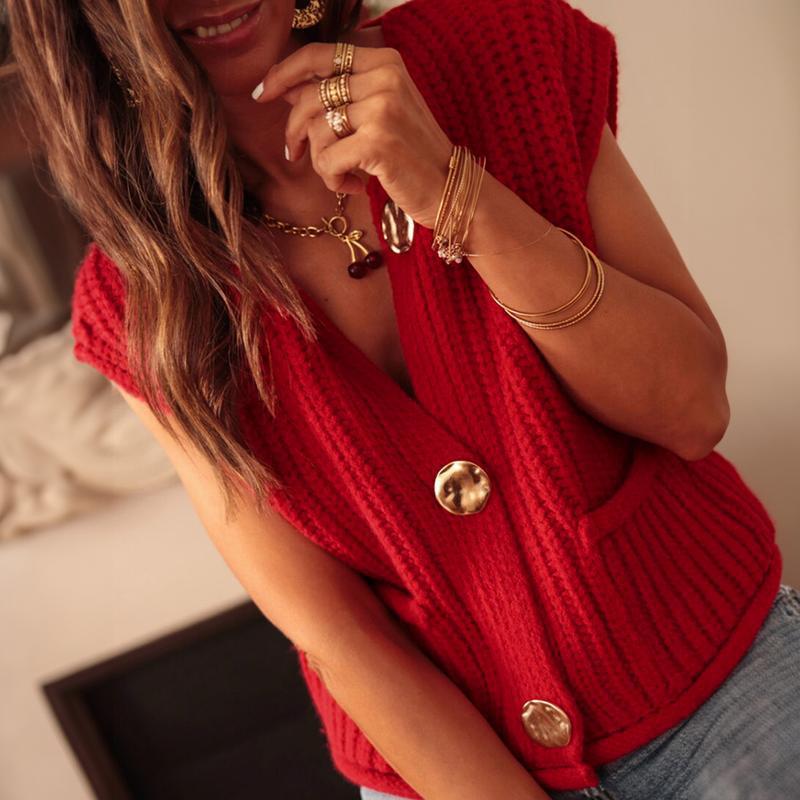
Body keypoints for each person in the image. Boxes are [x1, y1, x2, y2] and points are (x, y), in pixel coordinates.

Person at [6, 0, 798, 797]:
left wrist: (454, 188)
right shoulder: (138, 301)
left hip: (730, 706)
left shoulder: (499, 55)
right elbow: (335, 632)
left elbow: (692, 410)